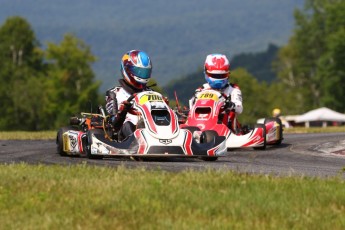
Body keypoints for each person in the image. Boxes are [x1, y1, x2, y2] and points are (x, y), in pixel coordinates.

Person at [105, 50, 153, 140]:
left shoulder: (151, 93)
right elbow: (112, 125)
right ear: (127, 70)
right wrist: (123, 111)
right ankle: (140, 141)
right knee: (128, 125)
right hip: (123, 136)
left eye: (144, 72)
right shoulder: (114, 93)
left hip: (151, 130)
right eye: (138, 71)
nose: (142, 75)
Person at [189, 53, 243, 133]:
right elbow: (191, 108)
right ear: (206, 73)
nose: (218, 79)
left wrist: (230, 105)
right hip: (200, 124)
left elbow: (239, 108)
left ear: (228, 74)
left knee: (230, 113)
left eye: (222, 75)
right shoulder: (200, 90)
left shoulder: (233, 89)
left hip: (225, 126)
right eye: (214, 75)